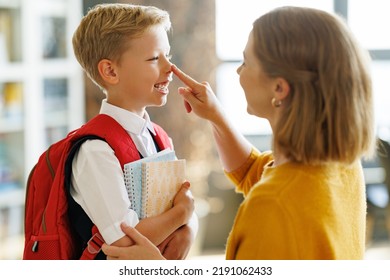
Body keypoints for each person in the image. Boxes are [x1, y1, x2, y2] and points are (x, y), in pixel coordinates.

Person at [102, 6, 376, 260]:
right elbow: (254, 172)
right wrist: (215, 115)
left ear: (279, 89)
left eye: (246, 62)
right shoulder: (341, 167)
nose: (238, 70)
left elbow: (269, 191)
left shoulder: (271, 208)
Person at [71, 3, 197, 260]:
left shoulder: (159, 137)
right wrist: (182, 215)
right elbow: (126, 240)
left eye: (168, 56)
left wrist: (188, 229)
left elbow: (181, 210)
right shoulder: (94, 150)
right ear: (110, 71)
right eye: (154, 58)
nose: (169, 68)